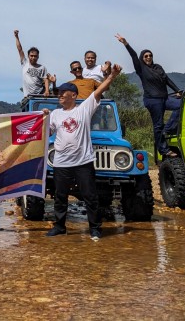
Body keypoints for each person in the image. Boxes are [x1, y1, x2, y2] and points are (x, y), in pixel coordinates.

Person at [45, 64, 123, 241]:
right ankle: (59, 226)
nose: (59, 96)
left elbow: (99, 90)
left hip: (83, 162)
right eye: (58, 93)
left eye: (62, 93)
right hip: (61, 162)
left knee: (90, 196)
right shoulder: (55, 114)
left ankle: (95, 228)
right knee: (60, 196)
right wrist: (43, 117)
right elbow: (47, 132)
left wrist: (112, 76)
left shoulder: (84, 109)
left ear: (73, 95)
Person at [115, 34, 181, 159]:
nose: (148, 57)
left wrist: (177, 90)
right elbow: (134, 56)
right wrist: (126, 43)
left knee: (182, 105)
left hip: (165, 98)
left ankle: (168, 129)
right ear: (142, 58)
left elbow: (167, 79)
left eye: (150, 55)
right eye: (146, 56)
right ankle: (163, 149)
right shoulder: (141, 68)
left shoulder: (158, 67)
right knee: (158, 124)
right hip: (152, 100)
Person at [14, 30, 49, 97]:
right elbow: (20, 49)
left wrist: (47, 91)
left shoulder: (42, 68)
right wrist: (17, 37)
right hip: (28, 96)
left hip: (39, 95)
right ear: (28, 56)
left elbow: (45, 79)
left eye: (35, 56)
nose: (33, 58)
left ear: (38, 56)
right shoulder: (25, 63)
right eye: (31, 56)